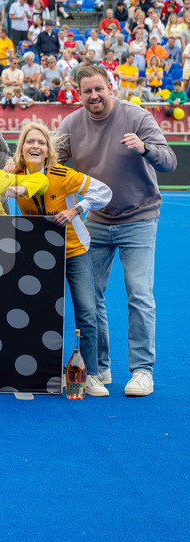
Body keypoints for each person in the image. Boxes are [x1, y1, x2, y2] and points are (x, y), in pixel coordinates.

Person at [55, 66, 177, 396]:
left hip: (139, 218)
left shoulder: (137, 117)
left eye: (99, 89)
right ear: (78, 94)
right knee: (89, 297)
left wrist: (145, 148)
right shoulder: (71, 124)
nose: (93, 96)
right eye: (86, 91)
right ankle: (99, 368)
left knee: (139, 293)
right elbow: (50, 159)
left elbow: (169, 160)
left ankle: (142, 371)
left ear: (111, 87)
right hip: (95, 219)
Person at [12, 121, 113, 396]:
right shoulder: (15, 175)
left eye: (41, 143)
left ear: (48, 151)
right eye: (29, 142)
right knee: (40, 312)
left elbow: (104, 192)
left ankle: (90, 373)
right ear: (21, 148)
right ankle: (43, 370)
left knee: (86, 312)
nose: (35, 146)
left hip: (74, 250)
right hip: (38, 253)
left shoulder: (62, 174)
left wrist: (77, 209)